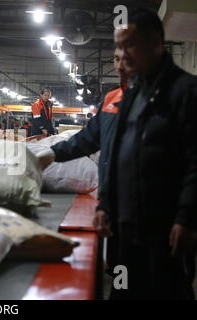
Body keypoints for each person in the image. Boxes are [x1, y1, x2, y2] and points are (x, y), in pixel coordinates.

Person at [95, 8, 197, 299]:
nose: (121, 53)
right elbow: (116, 155)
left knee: (167, 292)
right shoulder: (133, 95)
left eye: (129, 44)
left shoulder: (186, 92)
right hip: (126, 229)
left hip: (165, 230)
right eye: (117, 45)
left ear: (155, 43)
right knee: (123, 289)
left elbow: (195, 160)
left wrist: (187, 218)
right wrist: (105, 204)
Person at [37, 47, 129, 191]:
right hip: (119, 196)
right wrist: (53, 153)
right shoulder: (112, 99)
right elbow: (90, 137)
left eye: (128, 57)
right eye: (117, 59)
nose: (119, 66)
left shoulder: (171, 95)